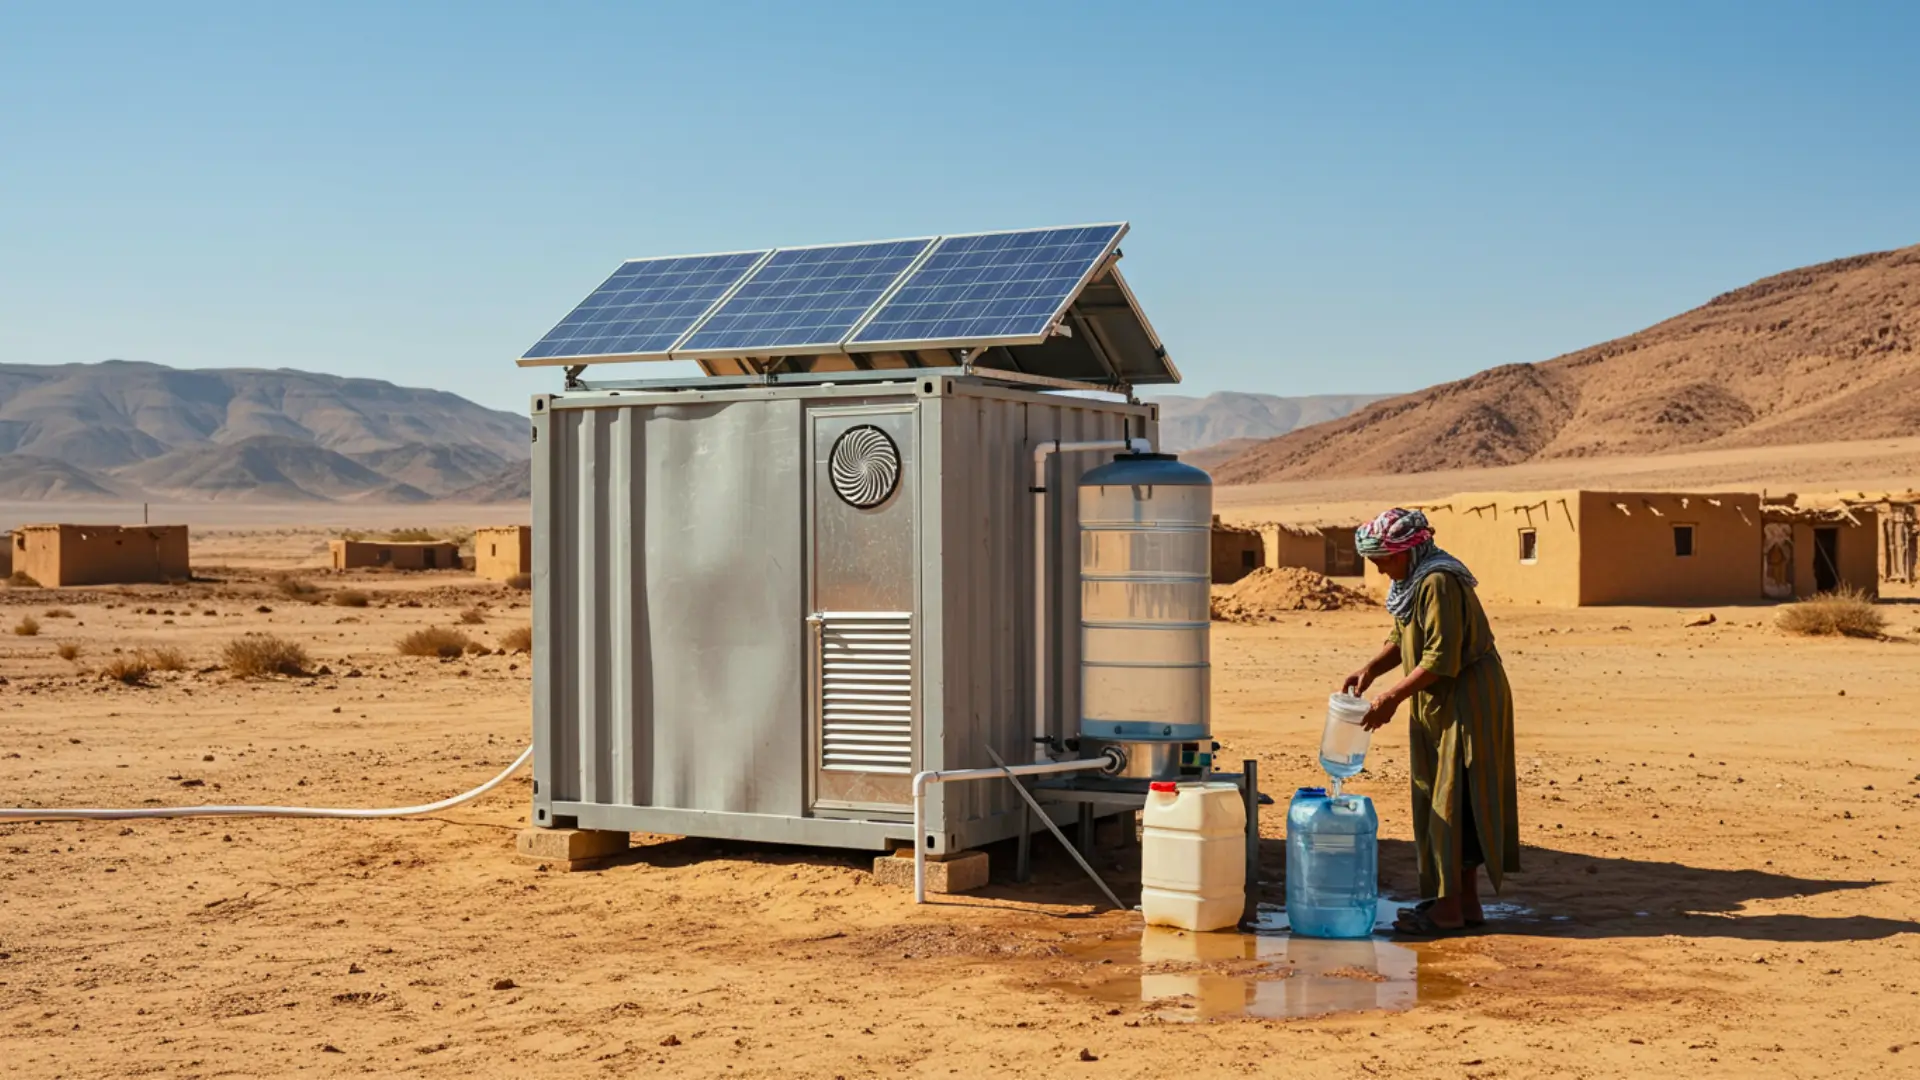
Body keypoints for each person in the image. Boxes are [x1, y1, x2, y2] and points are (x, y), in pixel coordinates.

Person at [1342, 508, 1519, 937]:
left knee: (1454, 798)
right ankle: (1463, 903)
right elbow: (1403, 635)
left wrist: (1391, 698)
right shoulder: (1414, 582)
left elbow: (1441, 657)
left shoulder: (1438, 581)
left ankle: (1448, 909)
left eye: (1383, 559)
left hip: (1467, 700)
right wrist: (1371, 670)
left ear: (1406, 550)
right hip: (1440, 698)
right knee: (1451, 794)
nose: (1380, 569)